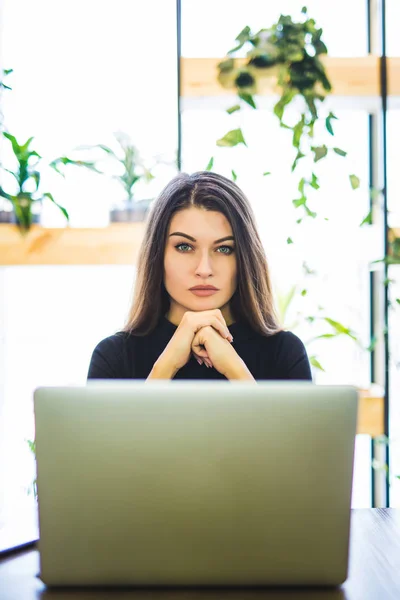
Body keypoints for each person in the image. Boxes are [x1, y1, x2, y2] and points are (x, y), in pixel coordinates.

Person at [87, 171, 312, 381]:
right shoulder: (114, 358)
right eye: (184, 247)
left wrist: (236, 371)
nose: (204, 269)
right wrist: (166, 365)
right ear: (157, 255)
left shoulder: (285, 353)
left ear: (245, 259)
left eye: (224, 249)